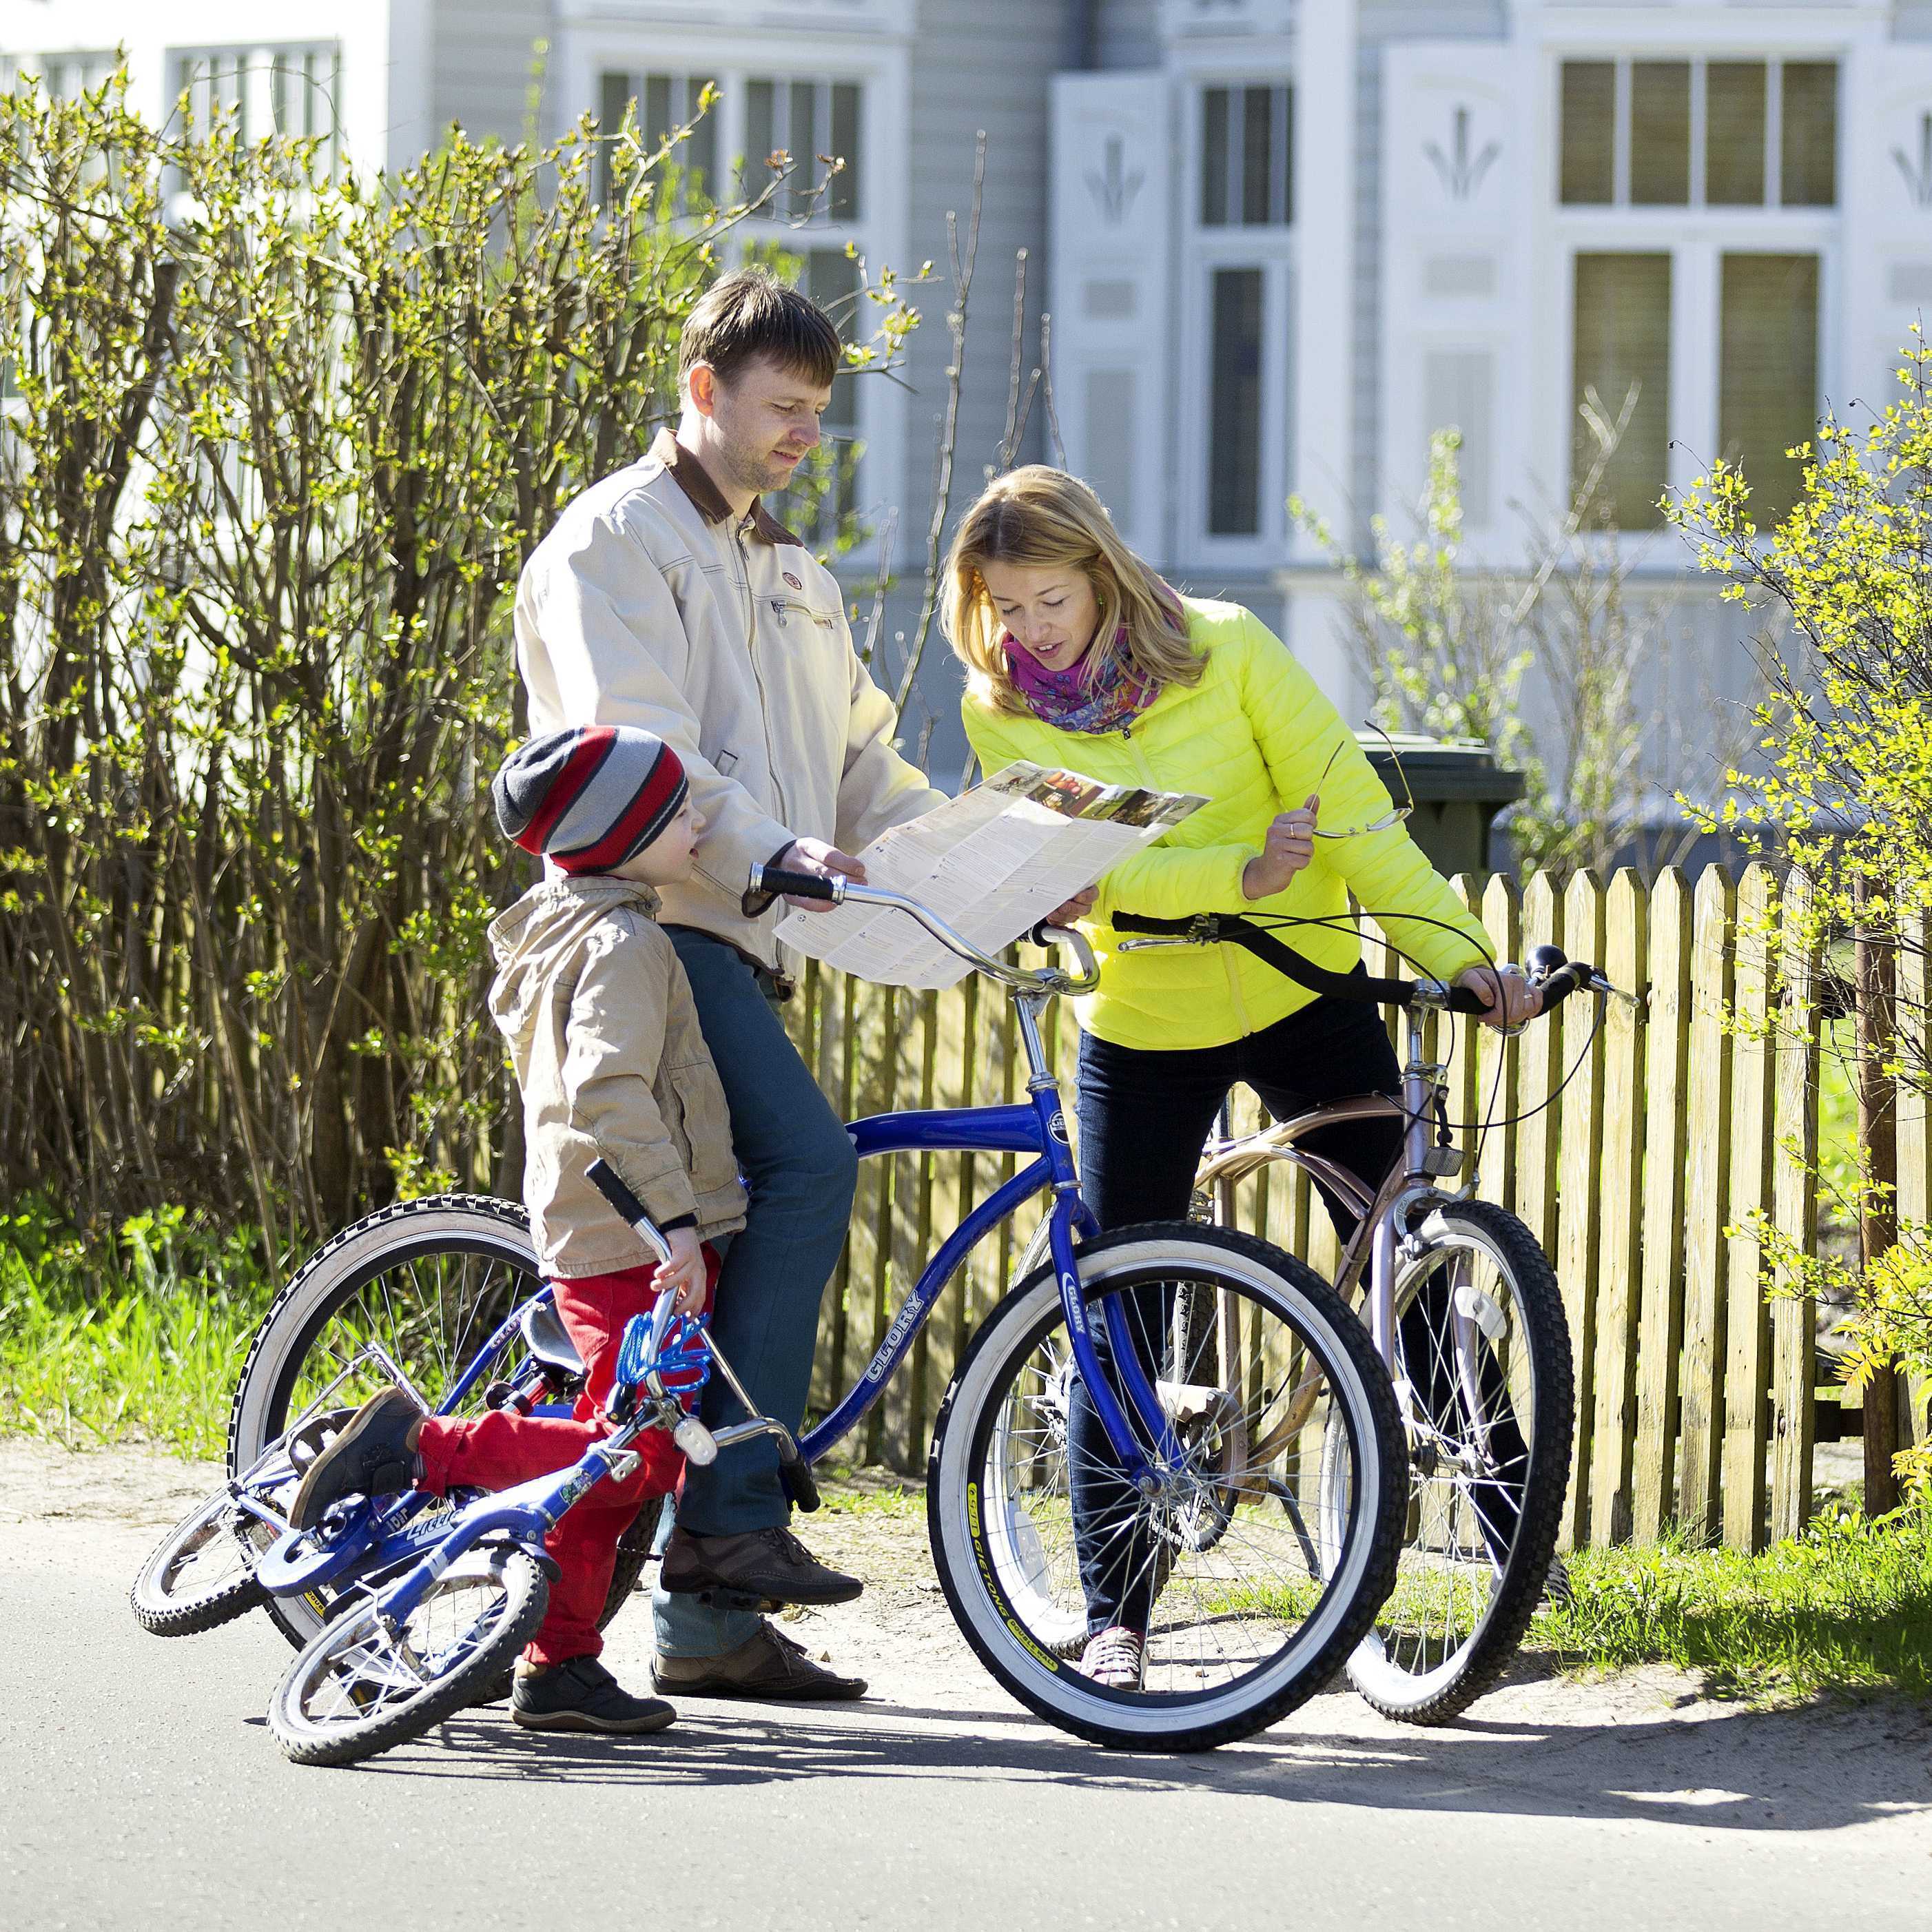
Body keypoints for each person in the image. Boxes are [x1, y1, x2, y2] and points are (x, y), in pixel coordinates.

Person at [943, 466, 1538, 1691]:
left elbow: (1360, 828)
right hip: (1141, 1019)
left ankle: (1512, 1550)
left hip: (1302, 993)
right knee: (1123, 1307)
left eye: (1049, 599)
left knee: (1404, 1265)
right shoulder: (997, 710)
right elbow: (1090, 881)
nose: (1027, 632)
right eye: (1005, 605)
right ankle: (1117, 1616)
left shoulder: (1228, 648)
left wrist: (1468, 963)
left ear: (1102, 571)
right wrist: (1232, 873)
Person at [512, 268, 954, 1701]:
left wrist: (981, 863)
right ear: (702, 392)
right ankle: (726, 1526)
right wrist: (785, 853)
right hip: (644, 925)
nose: (801, 439)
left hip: (740, 937)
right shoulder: (614, 544)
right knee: (810, 1162)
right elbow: (638, 757)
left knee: (753, 1203)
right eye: (781, 408)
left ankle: (703, 1628)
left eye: (820, 417)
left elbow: (865, 769)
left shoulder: (795, 581)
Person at [290, 723, 759, 1735]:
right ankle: (423, 1448)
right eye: (676, 812)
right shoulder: (625, 943)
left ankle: (559, 1668)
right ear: (621, 833)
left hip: (605, 1223)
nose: (699, 823)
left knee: (626, 1465)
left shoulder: (572, 926)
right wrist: (675, 1219)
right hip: (634, 1234)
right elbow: (609, 1088)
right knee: (621, 1453)